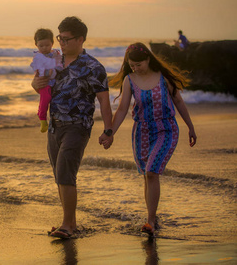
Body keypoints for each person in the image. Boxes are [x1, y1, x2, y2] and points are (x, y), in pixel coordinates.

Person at [31, 16, 114, 239]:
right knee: (59, 175)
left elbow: (104, 100)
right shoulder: (53, 61)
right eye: (59, 38)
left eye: (66, 39)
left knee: (66, 173)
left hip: (78, 126)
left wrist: (109, 130)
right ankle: (70, 223)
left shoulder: (93, 67)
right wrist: (34, 84)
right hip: (54, 126)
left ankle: (67, 225)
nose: (61, 43)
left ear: (80, 39)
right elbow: (40, 84)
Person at [109, 42, 197, 235]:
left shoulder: (163, 78)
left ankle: (150, 221)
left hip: (166, 129)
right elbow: (122, 109)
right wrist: (110, 133)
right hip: (142, 132)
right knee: (147, 176)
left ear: (148, 59)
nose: (135, 68)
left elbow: (178, 101)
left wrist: (190, 126)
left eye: (138, 64)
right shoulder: (129, 80)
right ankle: (151, 217)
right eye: (132, 65)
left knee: (151, 171)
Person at [30, 28, 62, 132]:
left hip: (54, 81)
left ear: (52, 43)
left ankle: (44, 115)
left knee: (52, 97)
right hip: (44, 81)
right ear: (36, 45)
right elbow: (39, 70)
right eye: (41, 46)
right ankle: (42, 119)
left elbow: (60, 64)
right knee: (46, 98)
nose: (44, 48)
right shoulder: (38, 57)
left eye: (47, 45)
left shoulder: (56, 54)